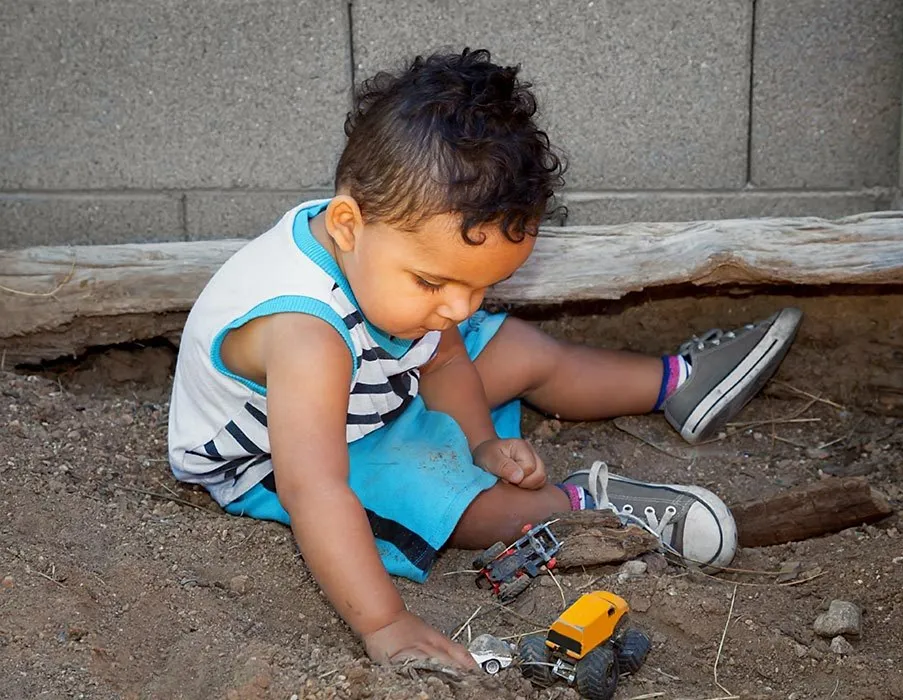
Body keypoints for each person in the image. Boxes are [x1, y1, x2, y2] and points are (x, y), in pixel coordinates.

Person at [167, 48, 802, 670]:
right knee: (457, 502)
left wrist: (480, 442)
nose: (461, 307)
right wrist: (385, 622)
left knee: (518, 347)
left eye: (479, 287)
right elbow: (317, 490)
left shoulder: (393, 265)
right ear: (346, 225)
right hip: (293, 449)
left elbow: (442, 356)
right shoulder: (305, 335)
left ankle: (677, 383)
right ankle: (585, 506)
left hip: (379, 377)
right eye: (435, 283)